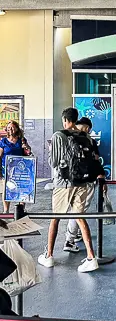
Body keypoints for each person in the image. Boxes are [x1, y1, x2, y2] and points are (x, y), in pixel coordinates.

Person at [38, 107, 99, 272]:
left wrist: (52, 150)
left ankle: (49, 256)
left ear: (64, 119)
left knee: (55, 218)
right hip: (82, 182)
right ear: (76, 119)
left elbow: (53, 163)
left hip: (63, 183)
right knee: (80, 218)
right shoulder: (85, 136)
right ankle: (91, 258)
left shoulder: (59, 135)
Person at [64, 117, 105, 252]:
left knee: (75, 210)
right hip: (86, 181)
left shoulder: (68, 138)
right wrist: (100, 175)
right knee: (78, 211)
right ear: (87, 127)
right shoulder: (89, 141)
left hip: (71, 180)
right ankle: (70, 240)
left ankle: (73, 236)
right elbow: (96, 159)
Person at [0, 121, 31, 213]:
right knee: (6, 189)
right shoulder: (3, 141)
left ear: (16, 129)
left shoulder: (21, 139)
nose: (10, 129)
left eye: (12, 127)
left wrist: (26, 147)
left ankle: (21, 209)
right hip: (7, 169)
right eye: (9, 128)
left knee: (21, 188)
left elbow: (28, 151)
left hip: (20, 169)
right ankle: (6, 210)